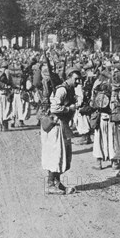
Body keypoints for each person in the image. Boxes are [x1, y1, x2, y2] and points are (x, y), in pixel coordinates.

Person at [41, 67, 81, 195]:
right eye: (76, 79)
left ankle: (57, 182)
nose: (78, 81)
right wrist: (69, 108)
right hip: (55, 126)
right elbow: (54, 108)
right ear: (69, 77)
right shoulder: (62, 90)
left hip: (61, 125)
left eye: (79, 79)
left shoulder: (69, 89)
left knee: (63, 154)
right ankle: (50, 184)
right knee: (56, 154)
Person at [0, 61, 13, 130]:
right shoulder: (8, 72)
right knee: (6, 109)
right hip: (5, 93)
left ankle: (0, 125)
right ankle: (5, 126)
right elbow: (10, 82)